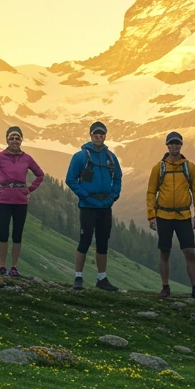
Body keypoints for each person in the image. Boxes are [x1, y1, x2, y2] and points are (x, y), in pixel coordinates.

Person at [147, 131, 195, 300]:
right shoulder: (159, 167)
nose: (174, 146)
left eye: (177, 143)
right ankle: (165, 287)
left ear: (181, 145)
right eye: (172, 143)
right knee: (164, 252)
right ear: (167, 145)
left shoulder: (189, 167)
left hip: (183, 216)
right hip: (163, 215)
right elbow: (151, 192)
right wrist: (151, 215)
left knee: (190, 252)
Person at [0, 126, 44, 276]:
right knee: (3, 233)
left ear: (21, 140)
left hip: (21, 200)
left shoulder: (27, 158)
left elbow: (40, 174)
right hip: (4, 199)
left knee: (17, 234)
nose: (15, 140)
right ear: (7, 139)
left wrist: (30, 189)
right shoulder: (0, 157)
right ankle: (2, 265)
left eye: (17, 137)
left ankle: (14, 267)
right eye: (12, 137)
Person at [65, 121, 122, 291]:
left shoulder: (111, 157)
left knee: (103, 241)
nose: (99, 136)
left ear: (105, 136)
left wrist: (113, 196)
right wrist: (85, 196)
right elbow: (70, 179)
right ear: (90, 135)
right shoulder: (80, 156)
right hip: (88, 206)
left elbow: (117, 178)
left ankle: (101, 278)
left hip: (105, 205)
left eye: (101, 133)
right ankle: (78, 277)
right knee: (85, 239)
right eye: (96, 133)